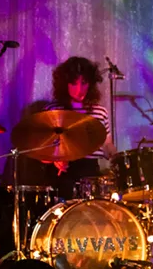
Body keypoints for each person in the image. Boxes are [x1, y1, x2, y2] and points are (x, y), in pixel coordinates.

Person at [44, 56, 116, 200]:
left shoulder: (100, 112)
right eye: (74, 83)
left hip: (92, 173)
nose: (79, 89)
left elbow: (106, 143)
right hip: (64, 174)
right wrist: (54, 160)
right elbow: (42, 148)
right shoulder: (53, 111)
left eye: (84, 83)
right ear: (65, 84)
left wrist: (118, 159)